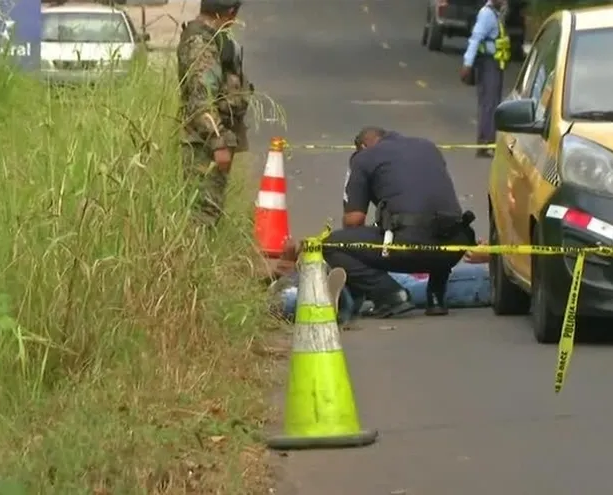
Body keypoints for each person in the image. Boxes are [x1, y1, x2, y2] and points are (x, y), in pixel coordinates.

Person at [321, 127, 476, 319]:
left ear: (362, 146)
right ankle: (436, 297)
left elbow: (354, 221)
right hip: (455, 244)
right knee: (435, 222)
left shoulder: (364, 158)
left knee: (333, 244)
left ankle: (391, 295)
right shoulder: (428, 147)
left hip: (411, 246)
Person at [271, 239, 492, 324]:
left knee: (405, 286)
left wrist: (496, 256)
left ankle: (293, 292)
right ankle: (301, 288)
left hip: (489, 280)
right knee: (374, 281)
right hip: (492, 276)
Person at [176, 0, 253, 227]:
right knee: (203, 213)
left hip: (210, 138)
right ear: (229, 13)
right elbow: (202, 99)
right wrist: (219, 141)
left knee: (212, 207)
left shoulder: (213, 38)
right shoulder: (201, 43)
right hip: (203, 143)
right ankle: (192, 258)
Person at [459, 0, 511, 159]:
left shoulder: (496, 12)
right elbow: (475, 38)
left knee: (491, 102)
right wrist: (467, 64)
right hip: (488, 64)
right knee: (489, 103)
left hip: (494, 63)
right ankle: (486, 143)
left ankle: (486, 142)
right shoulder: (487, 14)